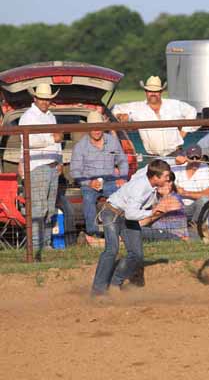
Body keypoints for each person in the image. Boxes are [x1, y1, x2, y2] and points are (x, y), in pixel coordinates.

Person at [91, 159, 172, 296]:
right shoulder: (140, 188)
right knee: (112, 249)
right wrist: (152, 212)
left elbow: (153, 164)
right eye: (166, 177)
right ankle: (98, 290)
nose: (168, 179)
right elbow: (131, 214)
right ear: (155, 177)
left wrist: (175, 160)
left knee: (136, 254)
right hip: (112, 212)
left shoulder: (146, 173)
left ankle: (115, 283)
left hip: (126, 215)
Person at [19, 83, 63, 260]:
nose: (45, 101)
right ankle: (35, 246)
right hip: (37, 166)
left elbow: (56, 141)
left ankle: (46, 244)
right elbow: (29, 139)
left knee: (50, 208)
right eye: (43, 98)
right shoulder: (28, 117)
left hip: (52, 165)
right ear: (35, 98)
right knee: (38, 209)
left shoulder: (50, 116)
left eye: (48, 99)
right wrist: (51, 138)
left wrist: (59, 160)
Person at [70, 111, 129, 241]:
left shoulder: (112, 141)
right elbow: (75, 171)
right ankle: (93, 233)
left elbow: (123, 161)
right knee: (88, 198)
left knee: (122, 197)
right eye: (93, 127)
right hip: (90, 181)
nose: (97, 131)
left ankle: (123, 231)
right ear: (87, 129)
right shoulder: (80, 146)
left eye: (99, 127)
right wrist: (88, 183)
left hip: (111, 179)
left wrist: (123, 178)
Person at [112, 76, 198, 159]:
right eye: (149, 91)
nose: (153, 94)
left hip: (176, 153)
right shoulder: (137, 107)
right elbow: (115, 108)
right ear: (145, 92)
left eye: (156, 91)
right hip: (153, 156)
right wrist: (120, 116)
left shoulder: (173, 105)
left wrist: (182, 133)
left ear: (161, 92)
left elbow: (192, 111)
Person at [171, 145, 209, 242]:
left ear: (201, 157)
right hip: (178, 207)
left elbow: (208, 194)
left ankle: (194, 226)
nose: (194, 160)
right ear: (186, 157)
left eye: (197, 157)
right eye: (191, 157)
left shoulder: (206, 168)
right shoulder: (176, 168)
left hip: (195, 208)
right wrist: (175, 161)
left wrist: (185, 193)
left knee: (205, 200)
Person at [140, 171, 189, 241]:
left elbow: (150, 218)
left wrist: (134, 226)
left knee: (137, 231)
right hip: (164, 233)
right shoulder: (158, 198)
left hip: (174, 236)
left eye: (162, 182)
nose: (158, 184)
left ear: (170, 183)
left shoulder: (172, 198)